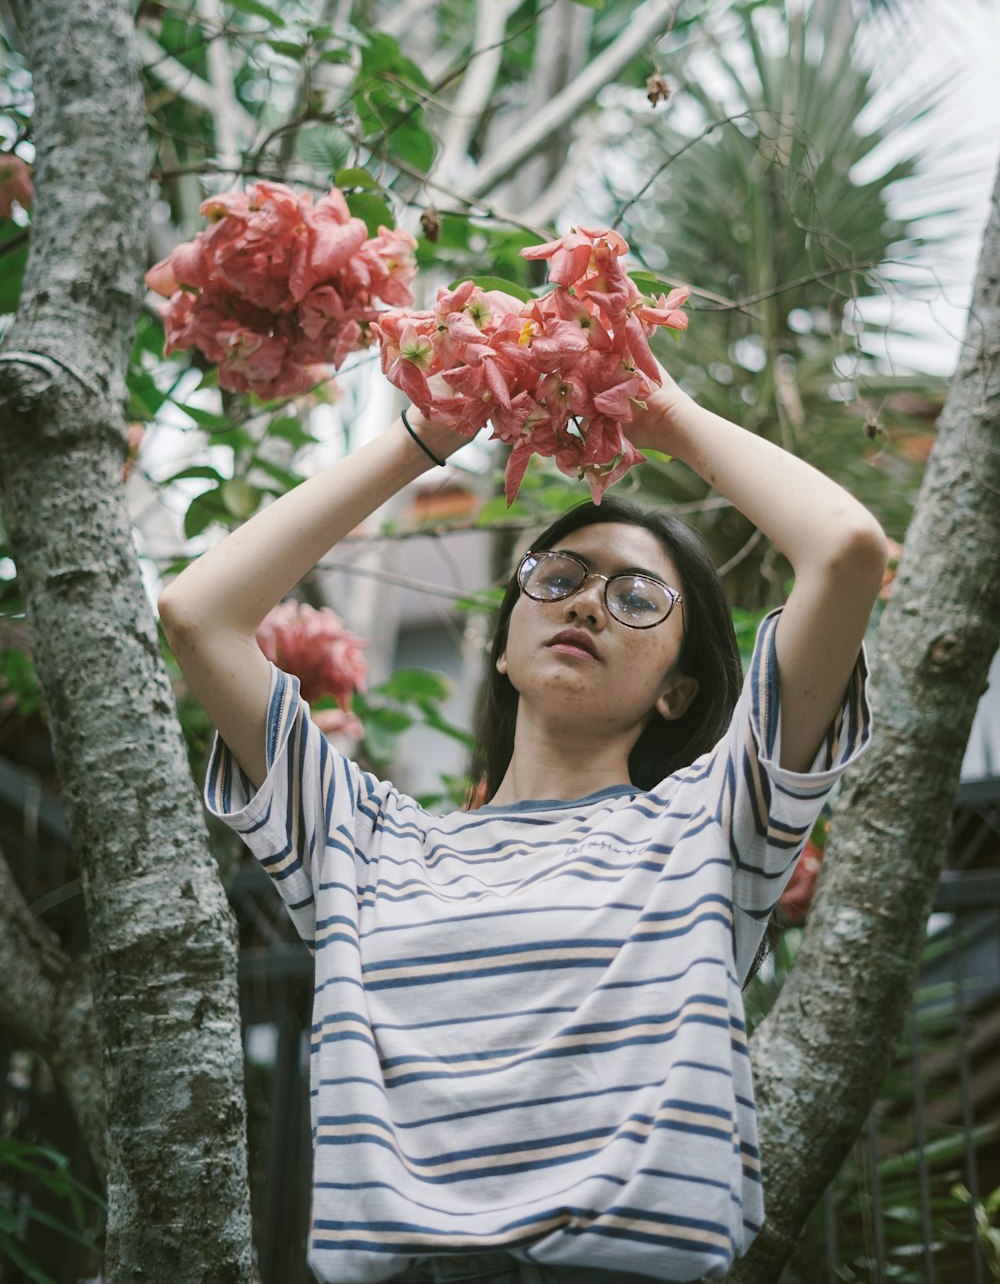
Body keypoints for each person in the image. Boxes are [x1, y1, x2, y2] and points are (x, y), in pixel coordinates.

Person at [158, 363, 886, 1284]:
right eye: (561, 577)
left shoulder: (710, 826)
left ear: (679, 691)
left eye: (635, 597)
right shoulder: (363, 842)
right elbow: (198, 613)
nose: (587, 601)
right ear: (502, 646)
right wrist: (428, 437)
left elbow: (848, 549)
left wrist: (665, 415)